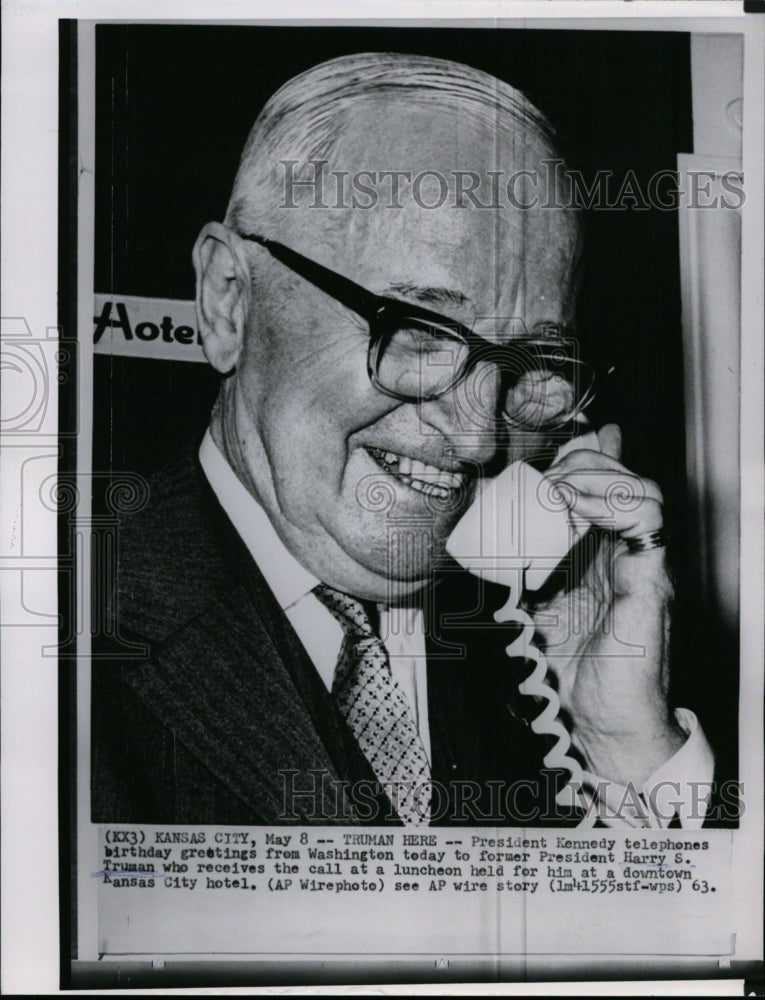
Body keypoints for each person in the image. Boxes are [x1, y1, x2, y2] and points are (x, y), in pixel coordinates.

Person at [92, 52, 716, 828]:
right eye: (419, 332)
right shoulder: (65, 638)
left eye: (532, 362)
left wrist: (623, 750)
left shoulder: (538, 647)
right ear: (228, 300)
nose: (479, 434)